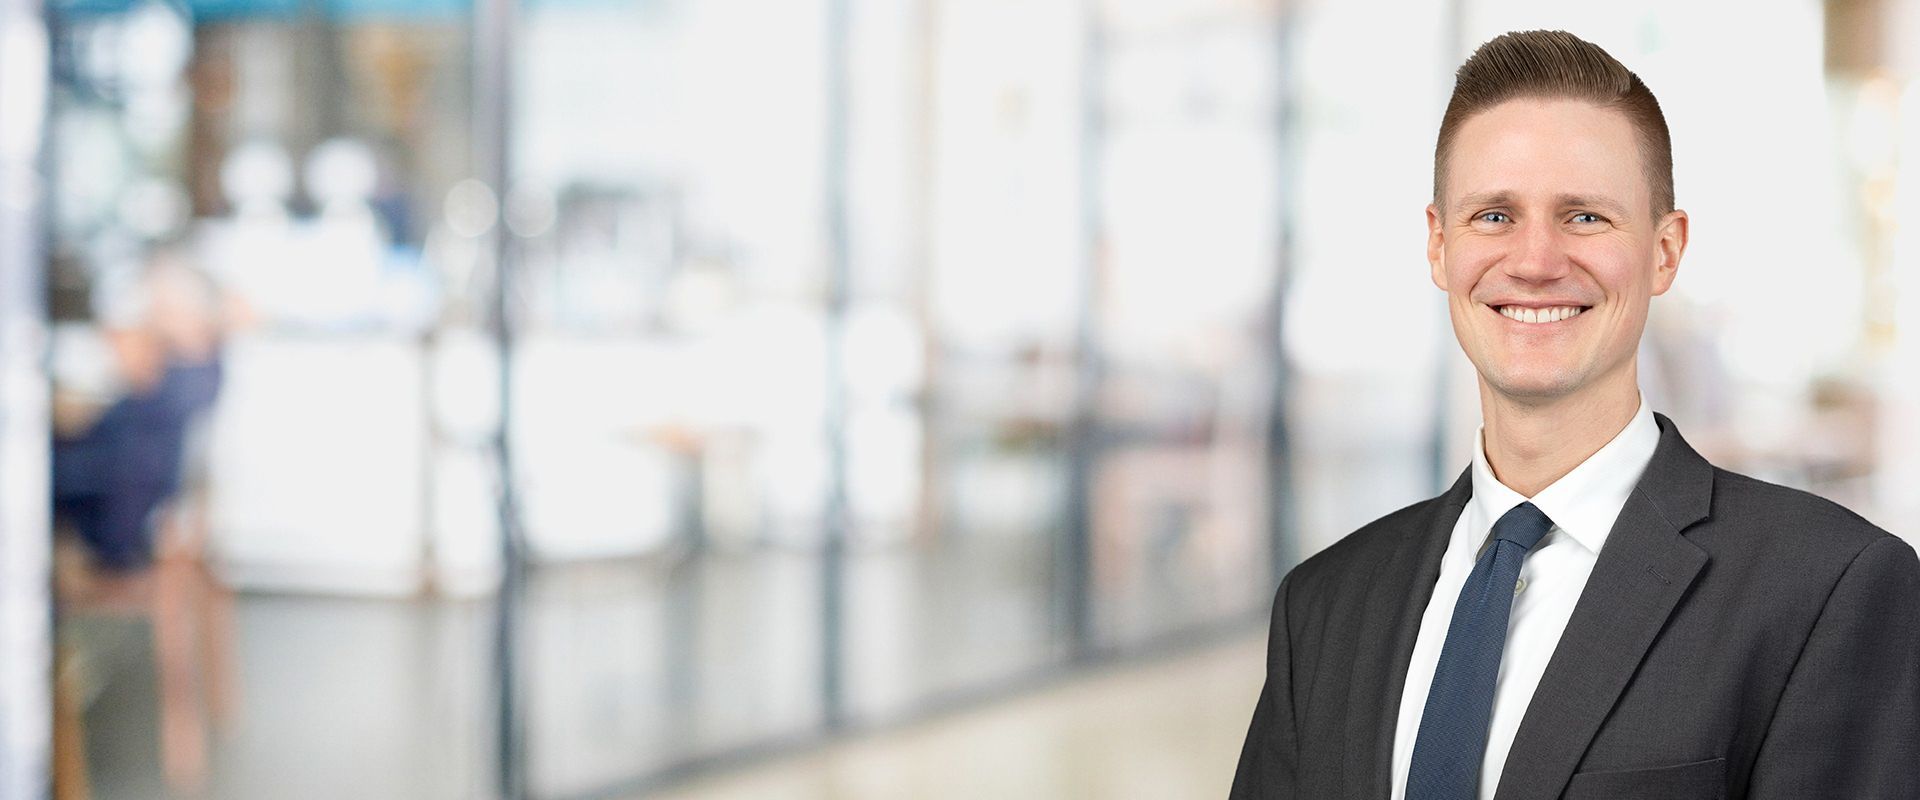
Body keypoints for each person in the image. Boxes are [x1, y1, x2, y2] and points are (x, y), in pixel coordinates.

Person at [1230, 30, 1920, 799]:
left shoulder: (1827, 588)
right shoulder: (1324, 606)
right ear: (1438, 245)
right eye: (1493, 215)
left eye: (1585, 217)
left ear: (1665, 250)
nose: (1533, 261)